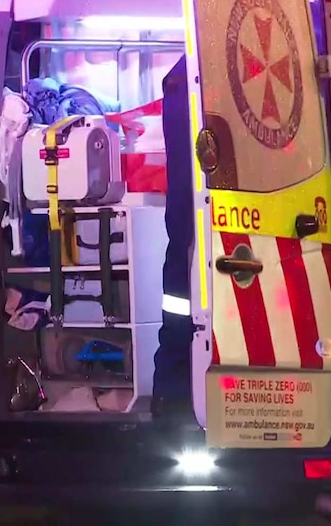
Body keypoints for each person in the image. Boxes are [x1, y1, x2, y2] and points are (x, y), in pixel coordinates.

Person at [151, 56, 195, 424]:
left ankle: (171, 398)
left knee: (179, 312)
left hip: (185, 228)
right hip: (192, 226)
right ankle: (174, 396)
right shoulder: (189, 79)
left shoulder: (181, 79)